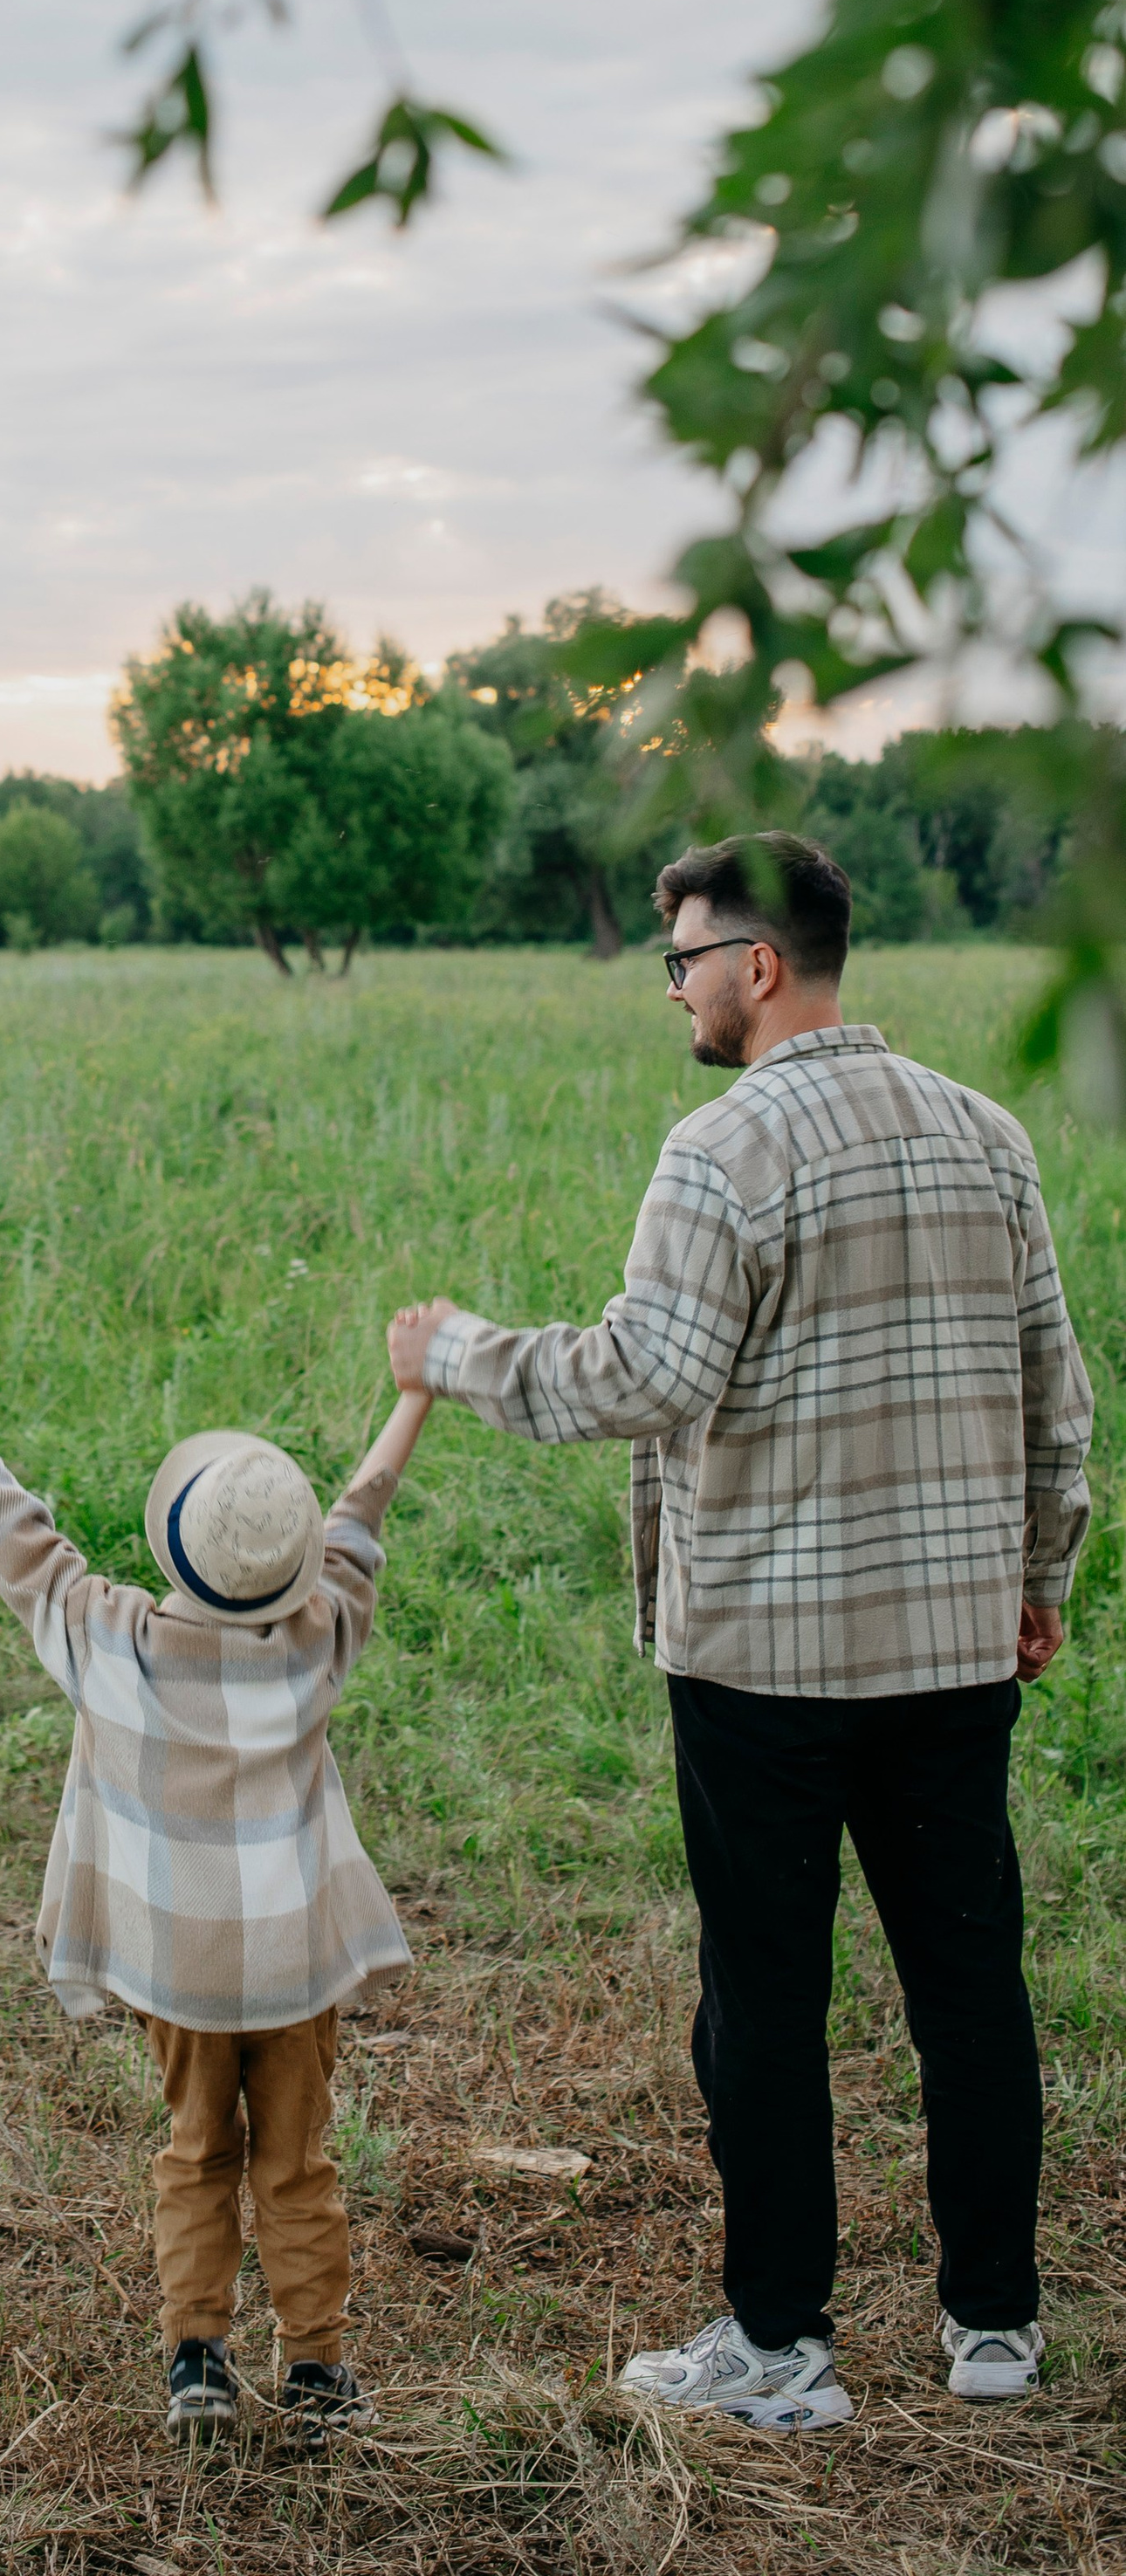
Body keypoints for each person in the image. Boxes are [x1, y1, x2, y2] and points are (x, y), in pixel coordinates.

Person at [388, 831, 1094, 2428]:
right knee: (972, 1985)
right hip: (951, 1646)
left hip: (768, 1660)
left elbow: (646, 1375)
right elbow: (1062, 1392)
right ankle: (994, 2323)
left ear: (758, 964)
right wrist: (1038, 1571)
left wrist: (461, 1355)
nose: (678, 991)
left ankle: (782, 2344)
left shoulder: (725, 1146)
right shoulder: (990, 1137)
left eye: (686, 958)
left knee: (764, 1997)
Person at [0, 1357, 433, 2445]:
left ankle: (196, 2354)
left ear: (173, 1546)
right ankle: (317, 2371)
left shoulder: (111, 1640)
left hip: (176, 1973)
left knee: (196, 2148)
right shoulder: (319, 1637)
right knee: (298, 2158)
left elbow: (14, 1537)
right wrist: (413, 1395)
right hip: (293, 1968)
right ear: (293, 1568)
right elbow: (361, 1517)